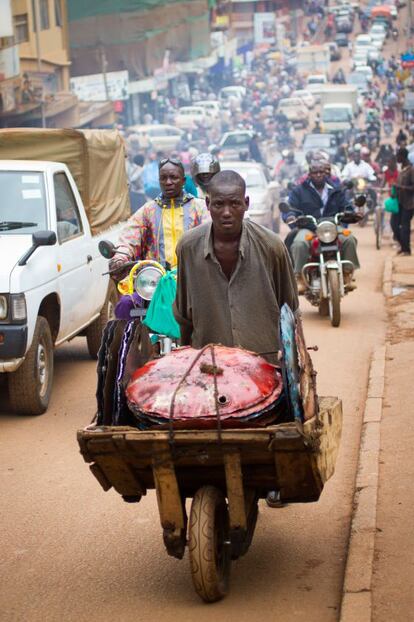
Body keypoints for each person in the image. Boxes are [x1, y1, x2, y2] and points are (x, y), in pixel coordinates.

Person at [173, 170, 298, 362]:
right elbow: (183, 315)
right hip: (208, 364)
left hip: (264, 364)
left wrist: (291, 361)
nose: (226, 213)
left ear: (246, 204)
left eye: (235, 204)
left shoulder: (271, 246)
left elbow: (289, 308)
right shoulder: (188, 247)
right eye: (218, 204)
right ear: (207, 204)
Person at [110, 158, 207, 272]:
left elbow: (211, 234)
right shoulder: (148, 210)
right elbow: (129, 237)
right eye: (163, 178)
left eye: (173, 177)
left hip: (193, 277)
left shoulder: (200, 207)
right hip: (156, 280)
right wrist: (120, 257)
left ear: (183, 181)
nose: (168, 182)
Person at [287, 161, 360, 293]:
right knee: (299, 243)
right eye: (315, 172)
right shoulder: (299, 190)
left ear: (326, 173)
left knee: (349, 239)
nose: (319, 175)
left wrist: (352, 212)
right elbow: (290, 208)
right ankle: (299, 278)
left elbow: (346, 206)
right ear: (310, 174)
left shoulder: (336, 190)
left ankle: (347, 274)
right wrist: (290, 215)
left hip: (331, 227)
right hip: (309, 227)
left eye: (321, 172)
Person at [394, 148, 414, 255]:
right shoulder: (402, 168)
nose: (396, 158)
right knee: (394, 224)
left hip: (409, 204)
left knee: (405, 227)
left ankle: (406, 249)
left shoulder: (411, 170)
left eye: (398, 156)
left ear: (403, 156)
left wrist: (402, 187)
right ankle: (403, 246)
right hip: (399, 202)